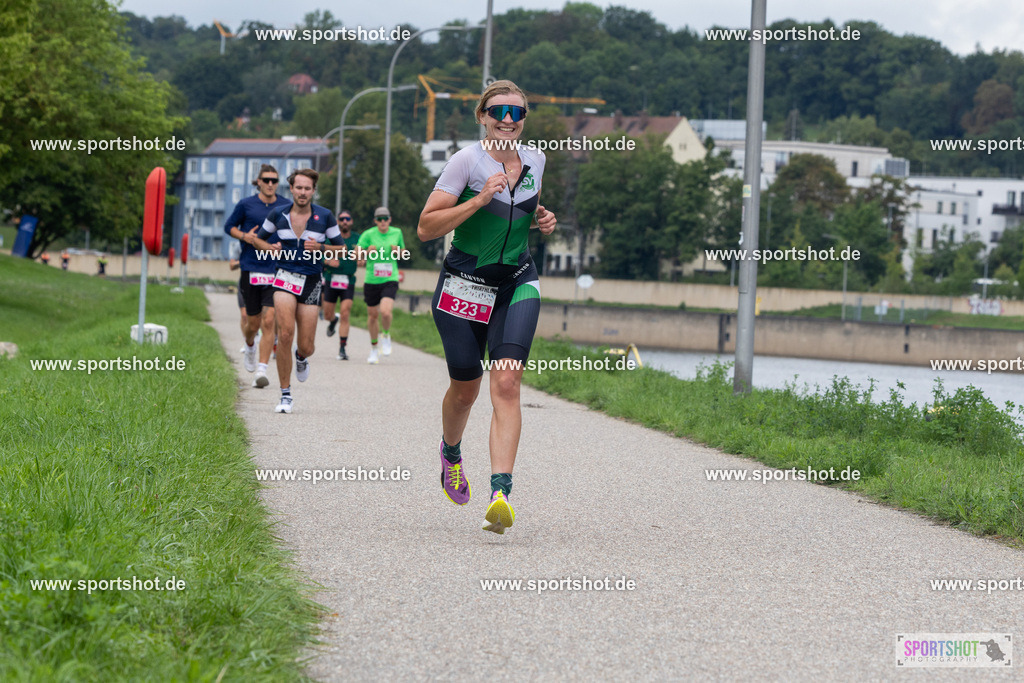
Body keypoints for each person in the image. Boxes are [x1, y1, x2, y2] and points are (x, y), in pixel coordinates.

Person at [417, 79, 557, 534]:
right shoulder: (466, 161)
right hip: (465, 284)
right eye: (499, 111)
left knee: (508, 381)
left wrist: (541, 217)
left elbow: (521, 210)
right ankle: (451, 452)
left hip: (517, 280)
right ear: (482, 116)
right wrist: (478, 199)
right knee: (466, 389)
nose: (508, 120)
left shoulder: (536, 159)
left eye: (517, 113)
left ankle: (501, 494)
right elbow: (426, 227)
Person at [247, 168, 344, 414]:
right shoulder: (278, 214)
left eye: (307, 188)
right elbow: (258, 239)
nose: (302, 192)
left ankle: (301, 357)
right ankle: (285, 394)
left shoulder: (325, 216)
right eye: (298, 187)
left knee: (307, 345)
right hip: (284, 277)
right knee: (285, 333)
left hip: (311, 281)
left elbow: (342, 250)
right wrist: (269, 248)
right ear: (291, 189)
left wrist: (321, 247)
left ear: (313, 191)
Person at [225, 164, 290, 388]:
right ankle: (250, 344)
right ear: (259, 182)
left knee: (269, 319)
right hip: (251, 268)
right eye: (266, 180)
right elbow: (229, 227)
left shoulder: (285, 205)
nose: (271, 184)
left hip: (275, 269)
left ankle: (262, 369)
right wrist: (245, 237)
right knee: (252, 324)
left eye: (274, 180)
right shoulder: (246, 204)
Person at [357, 207, 406, 364]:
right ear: (375, 221)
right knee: (372, 315)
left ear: (390, 219)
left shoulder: (397, 232)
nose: (383, 221)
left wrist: (398, 251)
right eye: (380, 219)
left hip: (390, 278)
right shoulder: (368, 234)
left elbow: (404, 253)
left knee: (385, 312)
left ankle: (385, 334)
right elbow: (356, 255)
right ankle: (374, 348)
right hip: (372, 280)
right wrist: (366, 252)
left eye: (385, 218)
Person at [321, 210, 360, 360]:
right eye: (342, 219)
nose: (345, 221)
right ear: (337, 222)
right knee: (327, 314)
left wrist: (362, 258)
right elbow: (317, 254)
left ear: (351, 221)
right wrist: (328, 261)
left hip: (348, 280)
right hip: (331, 279)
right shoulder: (331, 238)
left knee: (345, 312)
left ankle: (342, 348)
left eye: (347, 219)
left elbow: (363, 253)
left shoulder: (357, 238)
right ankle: (332, 321)